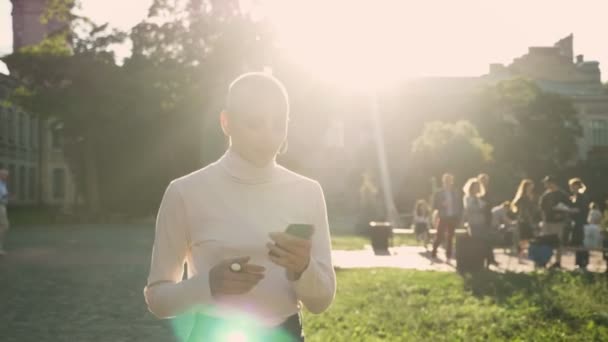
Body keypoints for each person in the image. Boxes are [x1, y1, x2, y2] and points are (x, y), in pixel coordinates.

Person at [143, 72, 336, 341]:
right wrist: (208, 284)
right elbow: (158, 299)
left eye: (278, 124)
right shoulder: (184, 192)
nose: (268, 135)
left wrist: (303, 268)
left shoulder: (308, 192)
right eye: (254, 123)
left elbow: (322, 301)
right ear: (226, 122)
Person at [538, 175, 572, 269]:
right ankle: (545, 261)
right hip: (547, 222)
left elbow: (568, 207)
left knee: (558, 242)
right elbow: (542, 208)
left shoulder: (562, 194)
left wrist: (562, 214)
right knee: (546, 242)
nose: (545, 185)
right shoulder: (545, 195)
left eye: (547, 183)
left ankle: (557, 262)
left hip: (558, 222)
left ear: (552, 183)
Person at [462, 177, 496, 266]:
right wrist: (480, 208)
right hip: (473, 222)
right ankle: (477, 262)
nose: (477, 189)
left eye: (478, 187)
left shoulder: (479, 198)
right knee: (477, 242)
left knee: (485, 242)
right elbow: (469, 209)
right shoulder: (467, 198)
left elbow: (485, 208)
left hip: (482, 222)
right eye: (475, 187)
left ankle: (487, 261)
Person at [431, 173, 463, 261]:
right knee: (440, 235)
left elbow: (459, 205)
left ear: (451, 182)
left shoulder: (455, 193)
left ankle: (448, 254)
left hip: (452, 217)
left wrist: (459, 216)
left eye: (450, 181)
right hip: (443, 217)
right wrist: (442, 205)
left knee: (450, 236)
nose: (448, 183)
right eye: (446, 181)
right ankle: (434, 250)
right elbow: (434, 205)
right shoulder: (439, 193)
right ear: (443, 181)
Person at [511, 179, 538, 259]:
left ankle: (526, 254)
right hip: (523, 220)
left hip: (529, 220)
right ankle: (520, 255)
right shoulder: (522, 197)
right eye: (530, 186)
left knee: (529, 238)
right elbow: (519, 208)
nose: (531, 188)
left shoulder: (531, 196)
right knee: (523, 238)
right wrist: (522, 216)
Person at [568, 178, 590, 270]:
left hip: (581, 222)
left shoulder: (581, 197)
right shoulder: (574, 196)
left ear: (577, 186)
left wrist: (571, 210)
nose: (571, 188)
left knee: (581, 242)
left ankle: (583, 262)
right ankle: (578, 262)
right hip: (576, 222)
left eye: (573, 186)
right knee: (577, 242)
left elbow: (581, 209)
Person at [0, 169, 9, 256]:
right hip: (0, 207)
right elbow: (2, 197)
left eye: (7, 175)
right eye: (5, 175)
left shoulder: (3, 184)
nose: (6, 177)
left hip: (2, 206)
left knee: (4, 226)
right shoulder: (0, 184)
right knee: (4, 226)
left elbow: (5, 197)